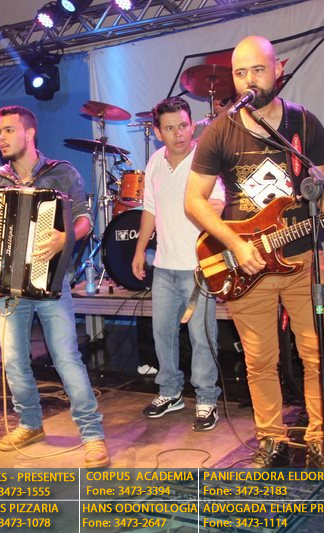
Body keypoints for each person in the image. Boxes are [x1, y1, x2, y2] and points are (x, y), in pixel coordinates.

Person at [184, 36, 324, 468]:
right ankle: (271, 439)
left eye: (257, 70)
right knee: (260, 360)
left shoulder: (304, 124)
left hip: (303, 259)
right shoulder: (220, 130)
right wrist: (235, 243)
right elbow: (193, 201)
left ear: (278, 69)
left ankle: (321, 438)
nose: (248, 80)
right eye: (240, 72)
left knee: (319, 355)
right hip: (248, 263)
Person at [0, 105, 109, 469]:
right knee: (14, 361)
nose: (2, 137)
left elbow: (84, 220)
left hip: (51, 283)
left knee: (66, 358)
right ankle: (30, 423)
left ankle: (92, 434)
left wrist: (64, 238)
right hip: (8, 285)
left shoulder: (62, 173)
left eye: (9, 130)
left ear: (30, 134)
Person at [130, 97, 225, 431]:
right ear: (158, 132)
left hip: (198, 267)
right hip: (165, 266)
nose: (178, 133)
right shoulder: (155, 161)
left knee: (202, 336)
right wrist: (140, 250)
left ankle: (207, 398)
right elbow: (150, 208)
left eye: (183, 125)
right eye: (170, 128)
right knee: (162, 334)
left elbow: (219, 203)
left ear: (193, 125)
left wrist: (208, 209)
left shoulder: (204, 158)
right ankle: (170, 392)